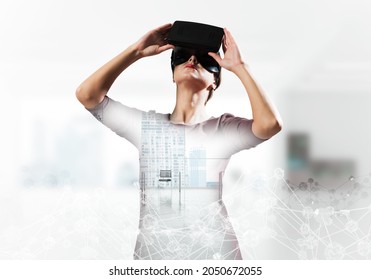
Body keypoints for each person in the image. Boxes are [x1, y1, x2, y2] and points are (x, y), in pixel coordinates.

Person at [76, 23, 282, 260]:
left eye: (206, 60)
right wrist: (136, 51)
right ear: (173, 74)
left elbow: (269, 125)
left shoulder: (222, 129)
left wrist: (240, 67)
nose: (192, 60)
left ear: (215, 81)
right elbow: (87, 95)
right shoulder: (147, 128)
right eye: (181, 57)